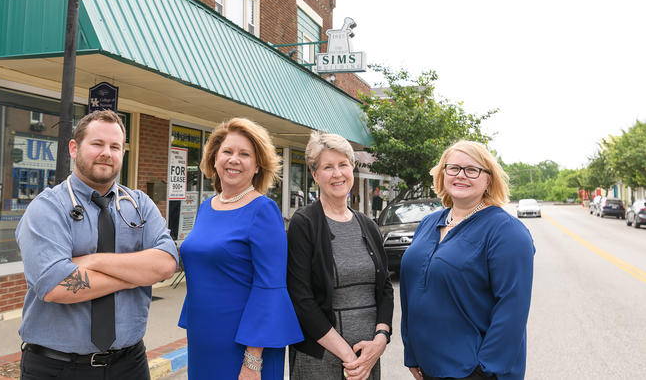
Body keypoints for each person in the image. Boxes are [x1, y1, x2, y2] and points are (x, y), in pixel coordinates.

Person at [15, 110, 179, 380]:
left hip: (130, 364)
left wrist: (92, 261)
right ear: (74, 147)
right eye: (97, 144)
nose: (107, 153)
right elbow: (56, 286)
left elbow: (166, 264)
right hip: (57, 368)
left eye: (115, 146)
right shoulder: (48, 208)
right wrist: (135, 276)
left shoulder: (140, 205)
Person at [178, 117, 303, 379]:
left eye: (245, 154)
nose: (234, 159)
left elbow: (269, 287)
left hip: (243, 346)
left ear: (257, 166)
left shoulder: (263, 210)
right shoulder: (206, 208)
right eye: (227, 151)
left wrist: (252, 360)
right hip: (203, 340)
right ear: (214, 159)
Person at [400, 140, 535, 380]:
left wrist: (484, 370)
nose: (461, 175)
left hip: (473, 372)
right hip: (428, 367)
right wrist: (411, 352)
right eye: (453, 168)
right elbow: (410, 292)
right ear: (442, 174)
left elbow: (512, 309)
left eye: (472, 170)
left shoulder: (507, 232)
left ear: (488, 179)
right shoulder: (428, 223)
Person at [287, 132, 394, 380]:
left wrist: (380, 339)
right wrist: (348, 355)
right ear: (315, 175)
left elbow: (385, 288)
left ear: (352, 169)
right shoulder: (304, 223)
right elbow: (301, 298)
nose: (337, 174)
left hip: (367, 356)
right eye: (328, 167)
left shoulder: (368, 225)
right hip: (320, 358)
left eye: (343, 165)